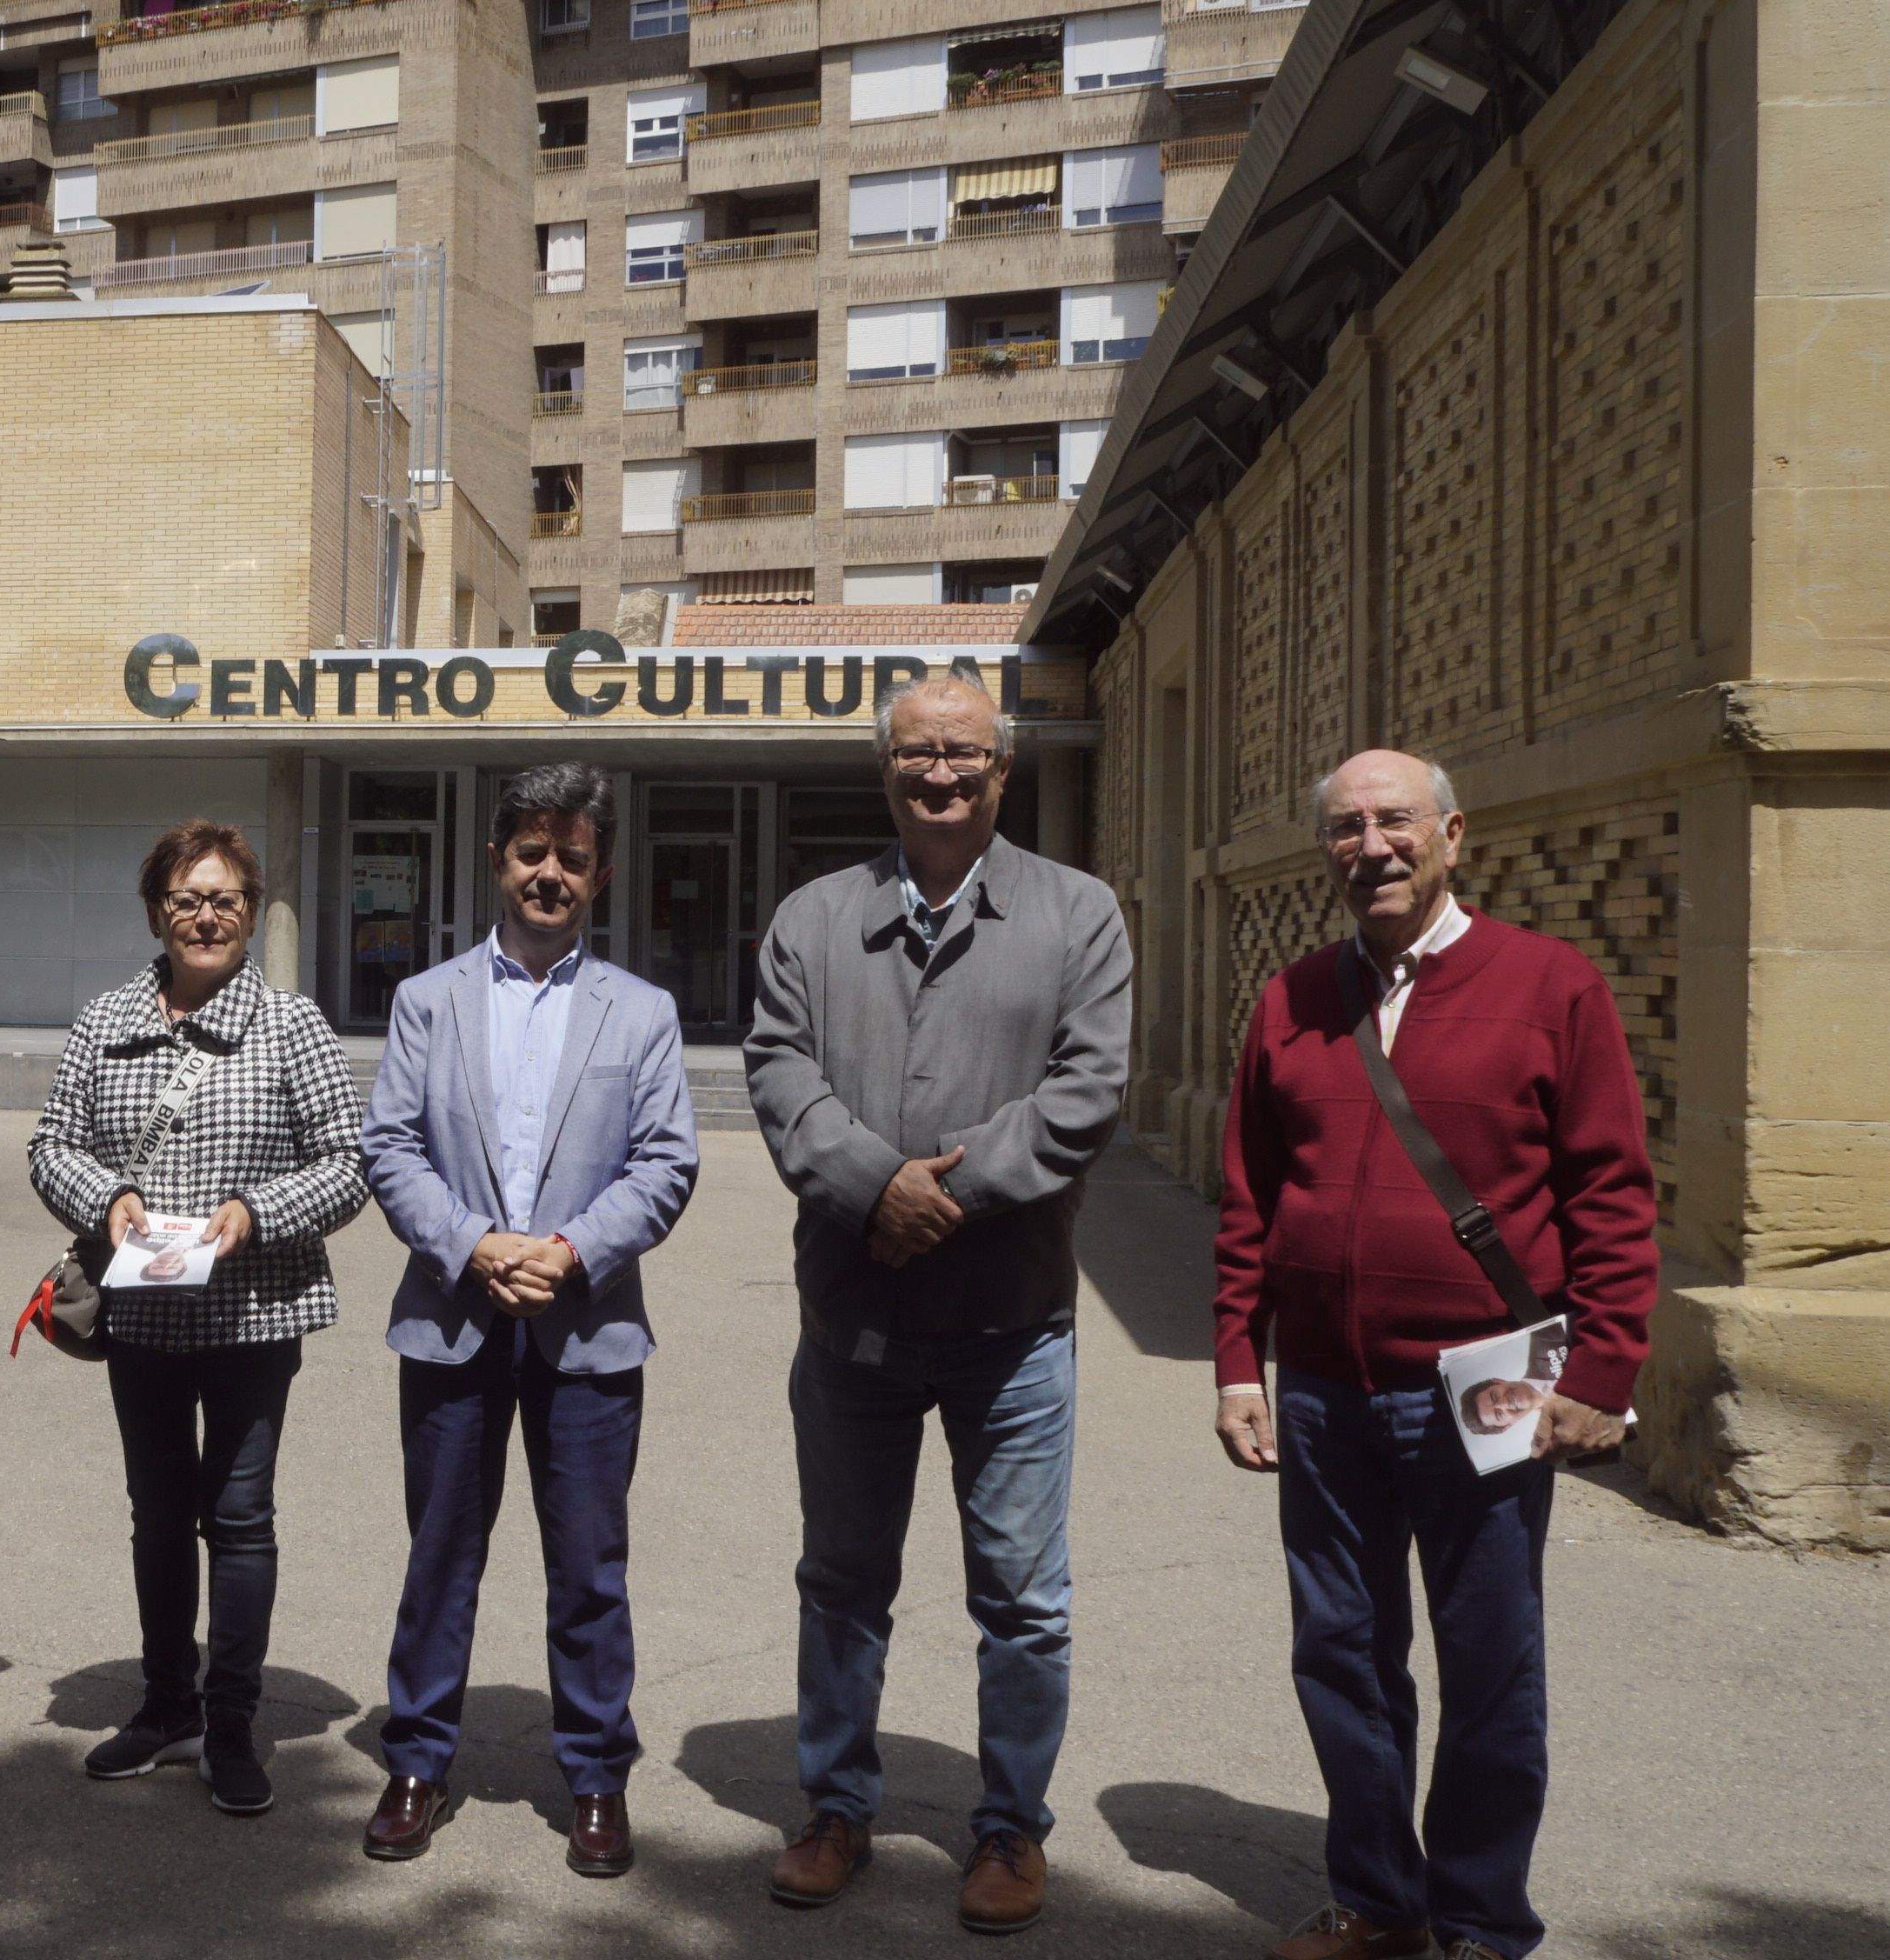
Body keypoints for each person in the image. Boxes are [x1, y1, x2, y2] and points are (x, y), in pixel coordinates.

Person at [1215, 750, 1660, 1960]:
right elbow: (1249, 1198)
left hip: (1495, 1376)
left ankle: (1478, 1919)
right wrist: (1236, 1363)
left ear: (1452, 834)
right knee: (1344, 1659)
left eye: (1396, 820)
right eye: (1349, 828)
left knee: (1491, 1664)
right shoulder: (1291, 998)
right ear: (1329, 852)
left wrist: (1602, 1375)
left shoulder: (1550, 984)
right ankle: (1378, 1901)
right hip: (1318, 1388)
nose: (1373, 846)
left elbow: (1611, 1195)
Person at [742, 671, 1132, 1935]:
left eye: (965, 754)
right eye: (918, 755)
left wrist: (949, 1195)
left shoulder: (1079, 915)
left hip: (1012, 1322)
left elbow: (1086, 1091)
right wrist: (872, 1183)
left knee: (1022, 1597)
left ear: (1003, 770)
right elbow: (779, 1070)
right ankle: (836, 1806)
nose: (942, 775)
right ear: (888, 769)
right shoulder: (812, 917)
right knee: (842, 1579)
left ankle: (1010, 1829)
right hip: (854, 1316)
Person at [357, 762, 700, 1878]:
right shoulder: (427, 1000)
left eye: (571, 855)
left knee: (589, 1567)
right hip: (454, 1319)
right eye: (530, 851)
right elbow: (391, 1147)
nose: (548, 872)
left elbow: (665, 1163)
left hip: (587, 1323)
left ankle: (597, 1776)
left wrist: (566, 1252)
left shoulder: (640, 1013)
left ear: (598, 875)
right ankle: (415, 1760)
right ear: (497, 860)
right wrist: (471, 1246)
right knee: (440, 1555)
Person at [29, 819, 368, 1818]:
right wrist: (105, 1200)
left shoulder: (293, 1025)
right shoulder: (105, 1020)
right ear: (156, 914)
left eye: (225, 900)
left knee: (241, 1519)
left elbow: (347, 1164)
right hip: (140, 1320)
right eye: (187, 900)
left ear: (252, 914)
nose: (206, 916)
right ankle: (166, 1701)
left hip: (255, 1311)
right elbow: (52, 1143)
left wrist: (259, 1213)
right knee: (156, 1516)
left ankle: (230, 1720)